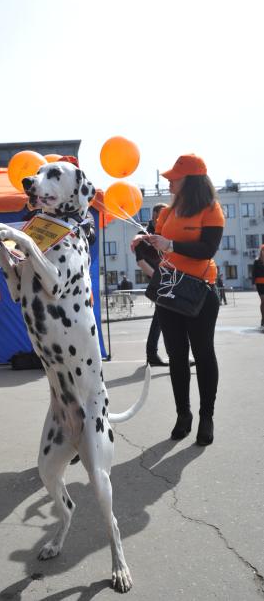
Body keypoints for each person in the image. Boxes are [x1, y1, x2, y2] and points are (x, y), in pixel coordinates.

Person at [132, 154, 225, 446]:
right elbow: (162, 248)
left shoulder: (211, 210)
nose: (169, 181)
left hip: (199, 291)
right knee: (176, 356)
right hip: (169, 290)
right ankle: (183, 415)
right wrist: (147, 241)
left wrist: (171, 244)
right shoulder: (167, 212)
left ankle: (206, 416)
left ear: (191, 180)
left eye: (175, 177)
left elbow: (207, 249)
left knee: (203, 353)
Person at [133, 203, 169, 366]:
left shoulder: (166, 233)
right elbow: (141, 262)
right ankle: (157, 354)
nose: (164, 219)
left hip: (171, 279)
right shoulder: (143, 236)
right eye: (161, 215)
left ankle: (154, 354)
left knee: (162, 317)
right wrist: (159, 278)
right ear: (154, 216)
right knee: (163, 317)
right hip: (158, 282)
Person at [252, 244, 264, 328]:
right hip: (259, 283)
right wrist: (253, 283)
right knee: (263, 300)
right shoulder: (257, 261)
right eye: (263, 250)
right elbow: (253, 272)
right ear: (261, 251)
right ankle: (263, 318)